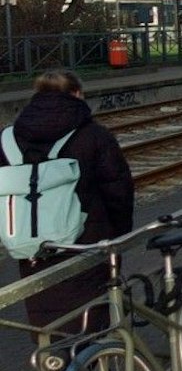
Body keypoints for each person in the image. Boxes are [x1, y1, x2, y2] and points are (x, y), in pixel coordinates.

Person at [6, 70, 135, 346]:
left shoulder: (8, 139)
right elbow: (118, 191)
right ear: (77, 94)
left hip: (31, 244)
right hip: (87, 241)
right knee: (93, 318)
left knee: (47, 317)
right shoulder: (94, 135)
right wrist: (120, 235)